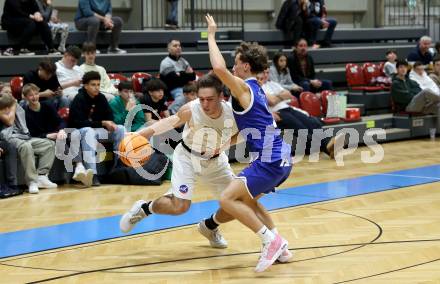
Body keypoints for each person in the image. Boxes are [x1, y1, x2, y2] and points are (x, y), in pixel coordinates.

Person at [120, 74, 287, 264]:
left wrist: (223, 146)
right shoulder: (191, 109)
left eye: (210, 99)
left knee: (239, 203)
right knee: (180, 206)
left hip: (216, 162)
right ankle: (144, 208)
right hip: (187, 157)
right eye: (201, 99)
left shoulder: (233, 115)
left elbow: (245, 133)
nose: (205, 104)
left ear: (221, 97)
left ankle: (210, 227)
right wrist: (140, 134)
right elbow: (169, 122)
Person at [205, 14, 292, 272]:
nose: (233, 67)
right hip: (281, 159)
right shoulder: (257, 92)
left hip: (269, 160)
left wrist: (211, 34)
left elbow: (218, 69)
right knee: (250, 201)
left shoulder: (244, 88)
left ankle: (271, 240)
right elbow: (251, 129)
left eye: (236, 63)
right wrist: (224, 145)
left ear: (245, 66)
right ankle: (283, 249)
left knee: (227, 199)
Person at [257, 67, 340, 158]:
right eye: (263, 73)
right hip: (277, 113)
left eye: (267, 73)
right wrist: (280, 96)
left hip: (288, 108)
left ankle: (329, 147)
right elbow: (272, 101)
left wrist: (276, 97)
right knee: (302, 129)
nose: (265, 75)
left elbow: (289, 95)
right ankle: (328, 146)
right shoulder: (258, 86)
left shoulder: (273, 84)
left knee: (313, 123)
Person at [68, 71, 125, 187]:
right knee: (89, 131)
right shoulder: (78, 99)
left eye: (98, 84)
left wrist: (110, 123)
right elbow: (77, 123)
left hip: (98, 130)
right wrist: (102, 122)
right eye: (93, 85)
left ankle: (119, 167)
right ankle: (93, 174)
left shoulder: (101, 98)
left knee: (120, 128)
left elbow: (109, 116)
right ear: (85, 86)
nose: (96, 87)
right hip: (81, 131)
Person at [0, 92, 57, 194]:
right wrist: (13, 104)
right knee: (26, 146)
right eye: (6, 107)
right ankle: (32, 182)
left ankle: (42, 176)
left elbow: (22, 121)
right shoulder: (5, 109)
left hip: (22, 135)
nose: (8, 109)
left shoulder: (14, 106)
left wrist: (13, 104)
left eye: (9, 106)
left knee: (49, 144)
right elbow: (9, 121)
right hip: (9, 137)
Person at [159, 40, 196, 112]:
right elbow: (174, 80)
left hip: (185, 87)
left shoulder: (183, 61)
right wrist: (185, 74)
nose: (178, 47)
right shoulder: (166, 62)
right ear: (169, 49)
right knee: (183, 97)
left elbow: (193, 76)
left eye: (179, 45)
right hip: (171, 89)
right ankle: (170, 111)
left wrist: (180, 74)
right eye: (175, 46)